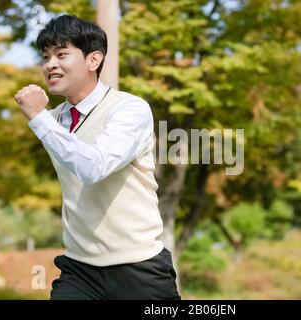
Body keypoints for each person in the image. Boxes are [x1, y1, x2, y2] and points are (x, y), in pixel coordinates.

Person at [14, 14, 180, 300]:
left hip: (138, 268)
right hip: (79, 270)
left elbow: (94, 167)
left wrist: (40, 117)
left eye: (61, 54)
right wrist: (45, 119)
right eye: (46, 56)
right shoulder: (53, 121)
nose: (50, 64)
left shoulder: (129, 110)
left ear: (93, 60)